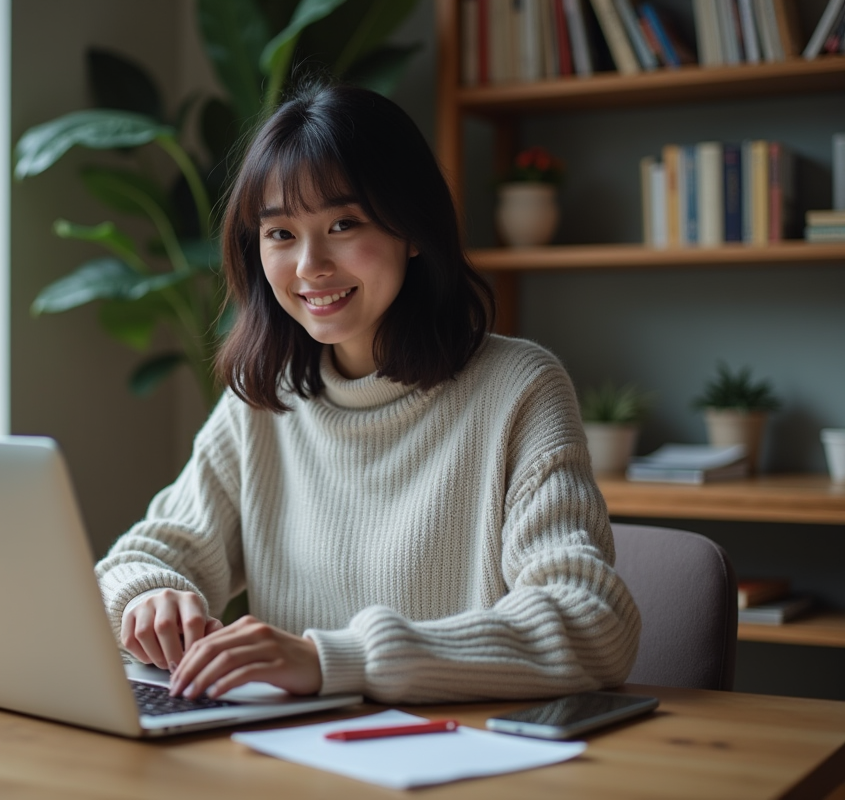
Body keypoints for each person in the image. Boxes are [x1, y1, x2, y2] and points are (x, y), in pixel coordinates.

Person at [95, 83, 641, 705]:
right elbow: (143, 557)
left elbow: (592, 623)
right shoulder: (265, 401)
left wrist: (338, 660)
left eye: (343, 224)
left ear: (414, 228)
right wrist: (148, 596)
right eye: (280, 234)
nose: (310, 265)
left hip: (460, 748)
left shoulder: (520, 389)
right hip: (290, 747)